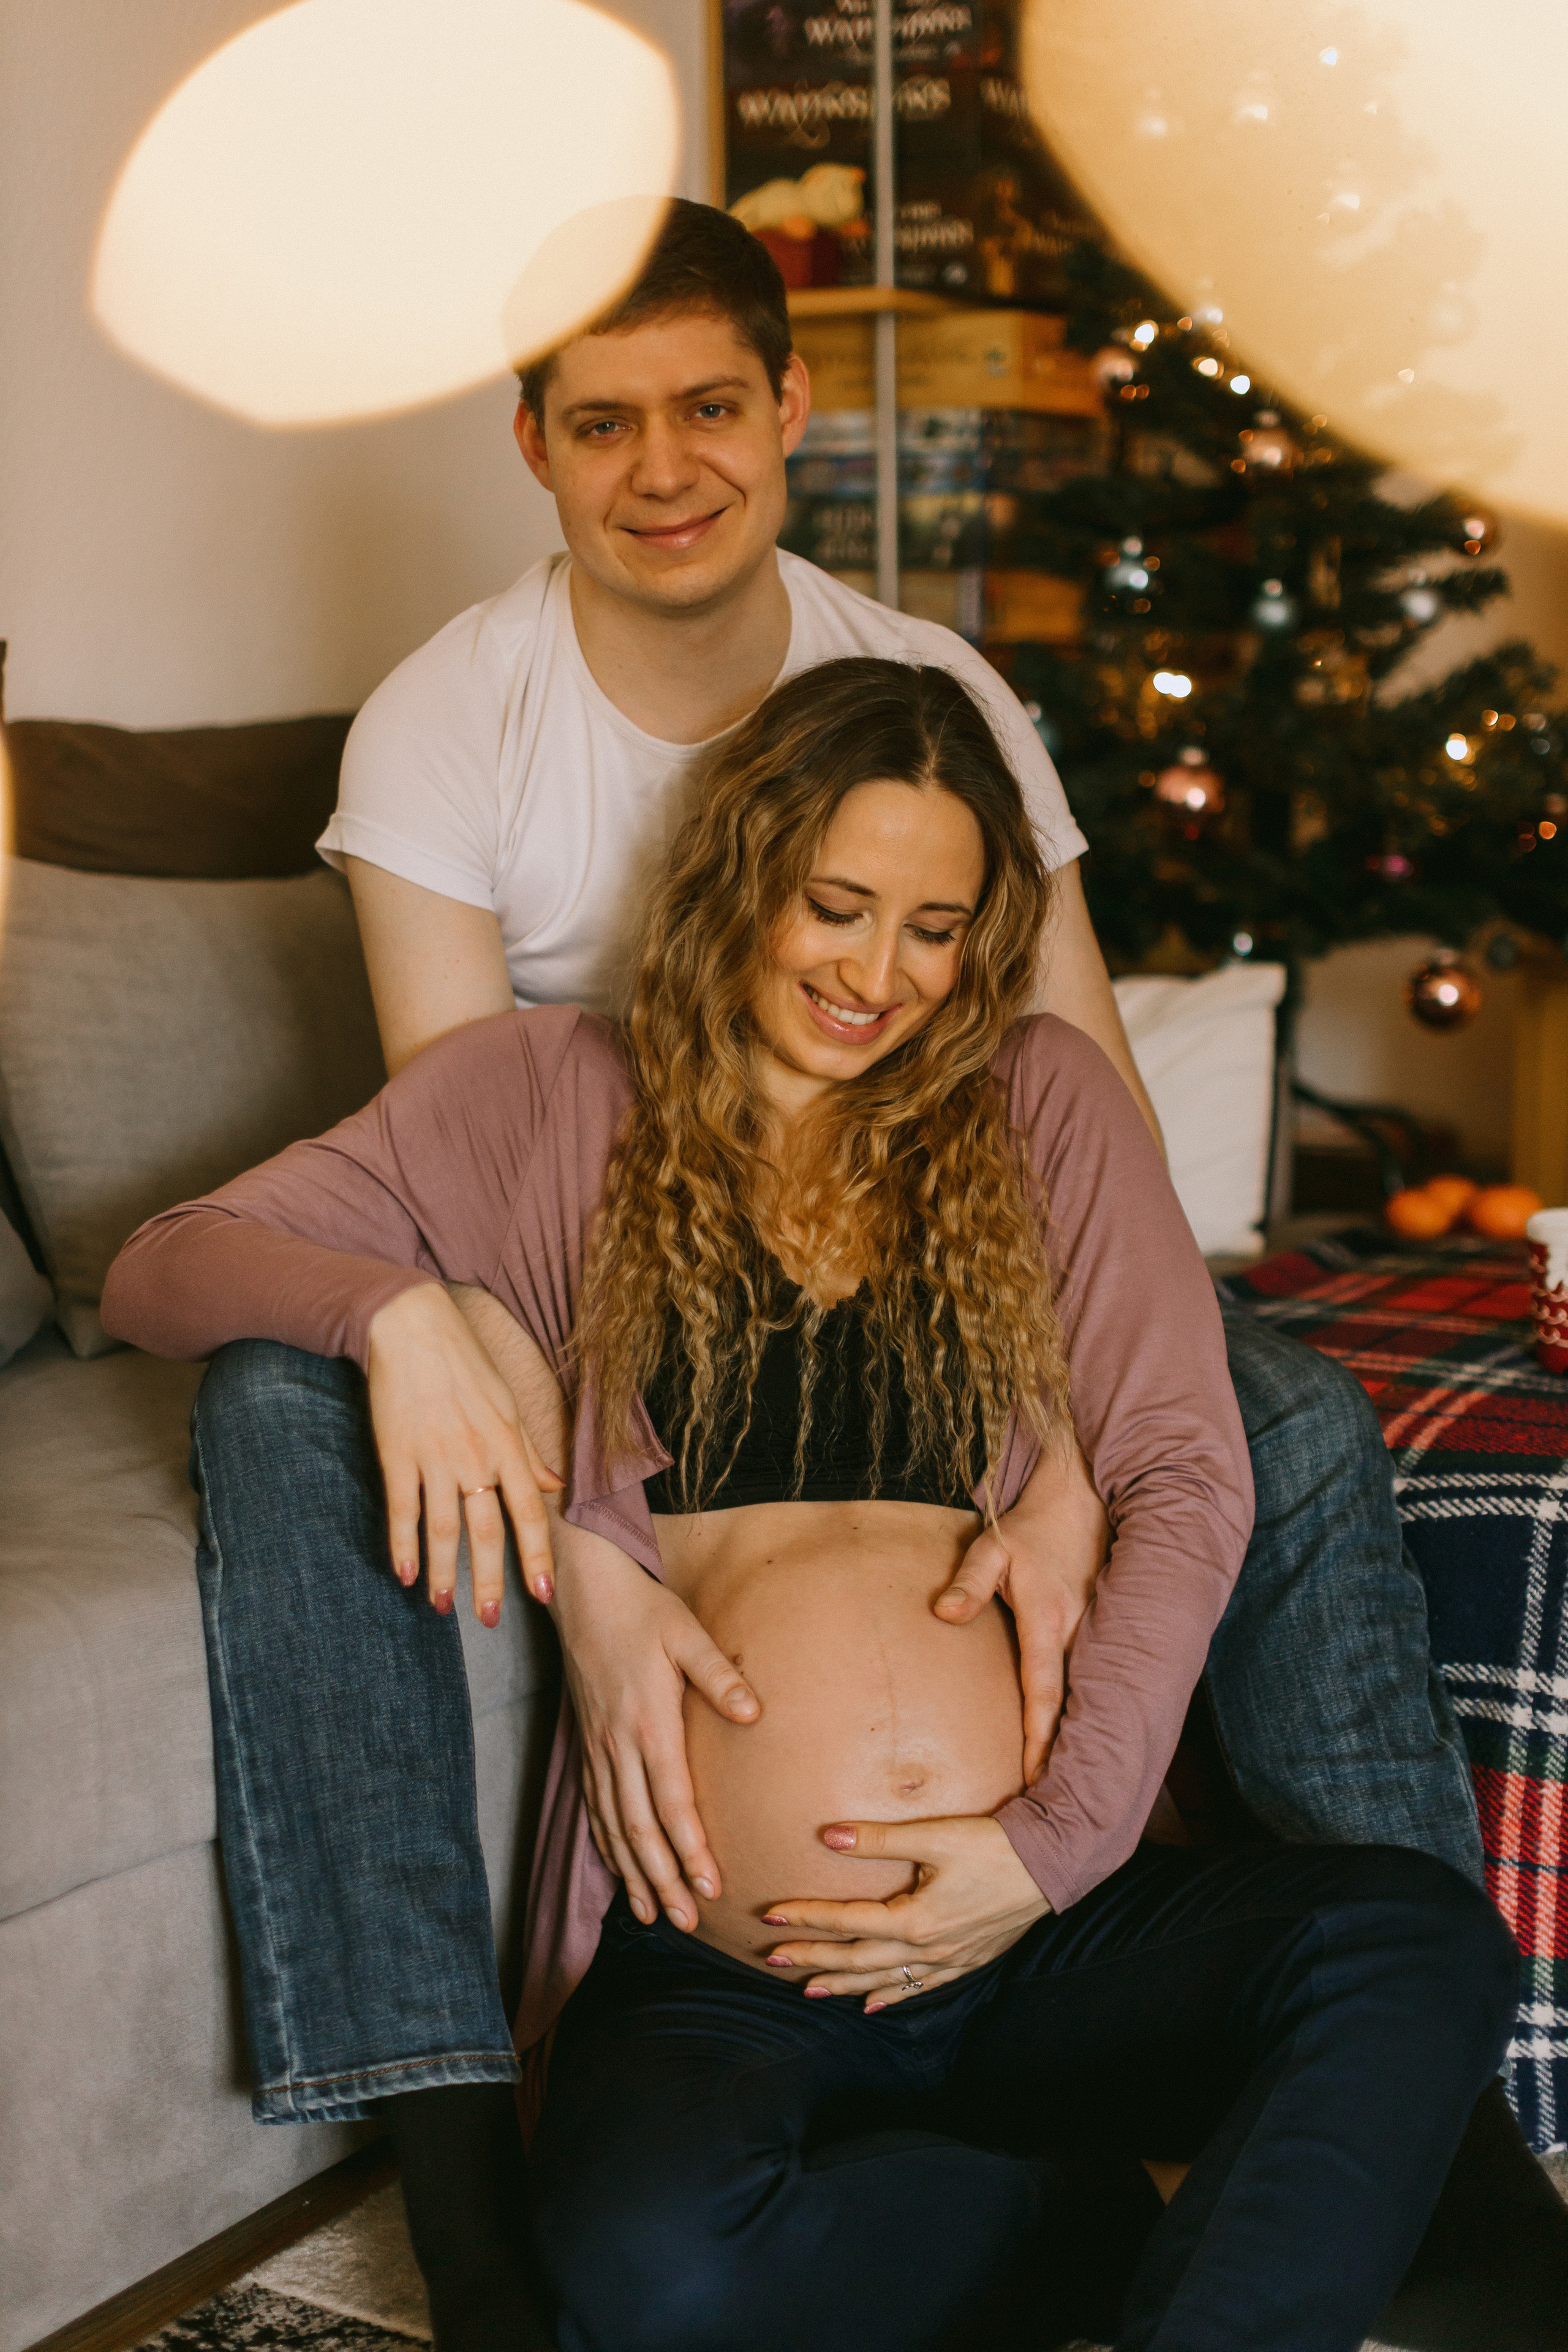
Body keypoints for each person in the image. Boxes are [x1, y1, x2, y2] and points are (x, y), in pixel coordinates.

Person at [141, 196, 1559, 2340]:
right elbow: (389, 1202)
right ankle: (477, 2167)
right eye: (606, 419)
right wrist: (482, 1410)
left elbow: (1086, 1115)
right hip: (625, 1412)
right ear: (535, 443)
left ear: (787, 409)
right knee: (276, 1392)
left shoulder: (951, 775)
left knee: (1273, 1430)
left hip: (1037, 1878)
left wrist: (1077, 1443)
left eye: (711, 404)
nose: (666, 461)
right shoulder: (471, 774)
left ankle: (1425, 2149)